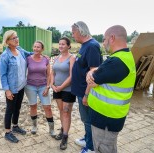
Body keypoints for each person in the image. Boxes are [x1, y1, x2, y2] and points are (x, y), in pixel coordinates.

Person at [86, 25, 136, 153]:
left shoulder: (116, 62)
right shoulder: (123, 56)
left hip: (106, 118)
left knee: (104, 148)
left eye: (104, 39)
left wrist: (90, 73)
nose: (103, 43)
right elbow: (98, 72)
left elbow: (92, 80)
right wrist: (93, 71)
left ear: (112, 38)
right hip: (110, 116)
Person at [71, 21, 102, 153]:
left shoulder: (92, 46)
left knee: (89, 120)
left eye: (73, 32)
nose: (72, 36)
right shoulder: (84, 45)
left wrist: (86, 94)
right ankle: (87, 138)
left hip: (86, 92)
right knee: (85, 119)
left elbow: (93, 72)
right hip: (80, 90)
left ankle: (90, 147)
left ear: (81, 31)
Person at [0, 30, 33, 143]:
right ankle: (8, 132)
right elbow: (3, 75)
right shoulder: (5, 56)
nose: (17, 39)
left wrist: (41, 55)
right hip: (12, 88)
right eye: (13, 38)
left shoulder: (20, 50)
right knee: (10, 110)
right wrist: (7, 90)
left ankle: (15, 126)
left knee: (17, 108)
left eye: (17, 37)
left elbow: (29, 54)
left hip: (21, 85)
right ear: (8, 41)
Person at [24, 40, 56, 137]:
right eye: (35, 47)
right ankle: (34, 126)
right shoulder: (28, 59)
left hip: (43, 86)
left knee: (48, 107)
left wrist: (47, 87)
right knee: (33, 106)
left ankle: (51, 129)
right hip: (30, 86)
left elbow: (49, 74)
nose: (36, 49)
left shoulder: (46, 59)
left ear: (42, 49)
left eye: (38, 47)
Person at [51, 37, 76, 150]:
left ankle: (65, 136)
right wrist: (52, 84)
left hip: (67, 89)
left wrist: (61, 87)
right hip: (56, 89)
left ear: (68, 46)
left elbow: (72, 76)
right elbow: (53, 73)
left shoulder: (72, 58)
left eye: (63, 44)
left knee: (66, 112)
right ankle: (62, 129)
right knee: (61, 110)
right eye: (59, 44)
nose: (60, 46)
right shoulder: (56, 58)